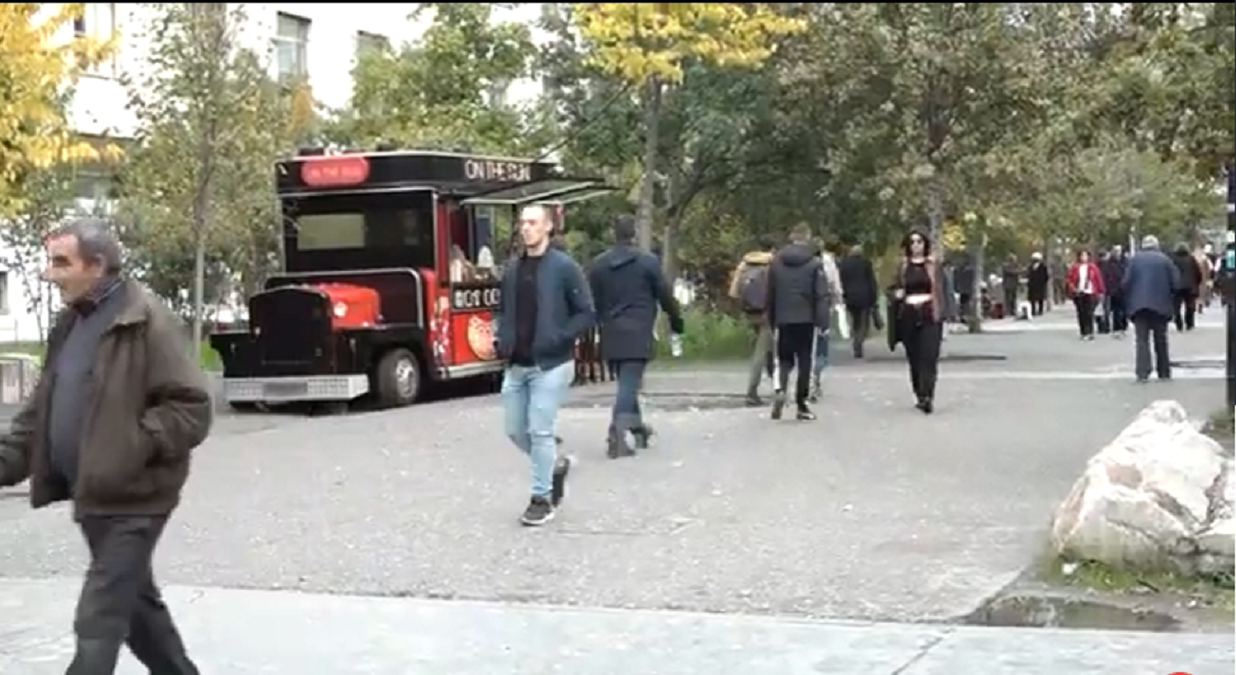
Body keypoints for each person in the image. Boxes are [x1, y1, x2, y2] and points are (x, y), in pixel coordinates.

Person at [0, 218, 212, 675]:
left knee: (98, 616)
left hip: (137, 498)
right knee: (137, 611)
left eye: (62, 263)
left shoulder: (145, 320)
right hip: (94, 497)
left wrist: (128, 448)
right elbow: (40, 413)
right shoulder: (71, 324)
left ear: (96, 265)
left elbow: (191, 408)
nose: (50, 274)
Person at [495, 204, 595, 526]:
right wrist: (501, 337)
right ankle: (554, 463)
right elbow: (503, 310)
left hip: (551, 364)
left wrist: (560, 338)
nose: (526, 228)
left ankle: (542, 498)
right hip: (516, 364)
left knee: (540, 430)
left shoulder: (564, 267)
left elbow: (586, 312)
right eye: (522, 223)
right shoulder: (513, 269)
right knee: (515, 431)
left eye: (533, 222)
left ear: (548, 227)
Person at [588, 215, 684, 459]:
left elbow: (593, 300)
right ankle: (616, 434)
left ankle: (639, 429)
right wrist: (676, 319)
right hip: (638, 329)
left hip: (611, 330)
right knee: (629, 384)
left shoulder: (598, 265)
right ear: (634, 233)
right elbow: (664, 294)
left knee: (627, 382)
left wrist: (599, 322)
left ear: (614, 234)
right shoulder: (647, 262)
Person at [765, 223, 830, 421]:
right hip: (806, 318)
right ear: (807, 238)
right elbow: (821, 295)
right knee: (805, 361)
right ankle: (802, 404)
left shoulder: (776, 262)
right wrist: (823, 322)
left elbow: (770, 293)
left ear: (791, 238)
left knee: (784, 359)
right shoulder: (814, 263)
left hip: (783, 318)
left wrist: (772, 319)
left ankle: (780, 389)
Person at [888, 228, 946, 414]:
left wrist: (945, 313)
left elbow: (942, 289)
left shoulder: (933, 265)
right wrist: (896, 294)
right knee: (914, 357)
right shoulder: (903, 266)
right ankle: (919, 394)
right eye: (912, 242)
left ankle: (928, 395)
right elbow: (892, 288)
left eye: (919, 242)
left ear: (925, 244)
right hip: (908, 315)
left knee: (929, 356)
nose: (916, 246)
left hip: (930, 314)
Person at [1122, 235, 1180, 382]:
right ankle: (1164, 371)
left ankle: (1142, 372)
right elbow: (1176, 282)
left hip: (1138, 306)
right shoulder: (1165, 260)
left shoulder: (1134, 260)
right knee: (1161, 339)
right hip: (1161, 306)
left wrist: (1130, 297)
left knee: (1141, 340)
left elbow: (1125, 282)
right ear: (1157, 245)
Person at [728, 244, 776, 406]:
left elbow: (733, 292)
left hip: (750, 313)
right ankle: (752, 392)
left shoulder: (745, 264)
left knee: (768, 349)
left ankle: (777, 386)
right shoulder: (771, 265)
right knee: (761, 352)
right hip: (766, 314)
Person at [809, 240, 844, 402]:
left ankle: (808, 379)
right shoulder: (827, 262)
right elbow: (835, 284)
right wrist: (838, 301)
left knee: (806, 347)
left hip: (802, 310)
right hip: (823, 307)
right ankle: (815, 378)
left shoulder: (800, 263)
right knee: (821, 346)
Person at [838, 243, 879, 358]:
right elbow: (871, 281)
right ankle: (858, 341)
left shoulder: (844, 264)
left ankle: (856, 338)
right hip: (864, 296)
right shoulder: (866, 264)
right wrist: (874, 297)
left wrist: (843, 295)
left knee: (855, 321)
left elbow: (842, 280)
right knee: (863, 323)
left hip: (850, 297)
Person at [1065, 249, 1105, 340]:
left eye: (1085, 255)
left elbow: (1098, 279)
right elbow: (1069, 279)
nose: (1084, 257)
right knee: (1081, 313)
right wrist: (1072, 288)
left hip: (1090, 292)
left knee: (1089, 313)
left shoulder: (1093, 267)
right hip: (1078, 292)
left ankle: (1090, 331)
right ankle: (1083, 332)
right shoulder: (1075, 267)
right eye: (1082, 255)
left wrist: (1101, 291)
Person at [1171, 243, 1204, 331]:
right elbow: (1198, 272)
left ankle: (1178, 322)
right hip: (1190, 286)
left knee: (1176, 306)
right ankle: (1189, 323)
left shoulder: (1173, 259)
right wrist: (1197, 282)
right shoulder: (1191, 259)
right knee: (1190, 305)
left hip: (1176, 286)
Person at [1100, 245, 1128, 336]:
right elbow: (1105, 276)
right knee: (1116, 310)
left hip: (1123, 290)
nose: (1117, 253)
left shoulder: (1126, 262)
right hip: (1113, 290)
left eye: (1119, 251)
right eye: (1116, 251)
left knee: (1123, 310)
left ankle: (1123, 326)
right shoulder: (1108, 264)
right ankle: (1117, 328)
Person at [1026, 252, 1050, 317]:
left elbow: (1046, 276)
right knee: (1032, 299)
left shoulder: (1043, 267)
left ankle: (1040, 310)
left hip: (1040, 285)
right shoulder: (1030, 266)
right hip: (1032, 285)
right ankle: (1033, 310)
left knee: (1040, 299)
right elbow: (1028, 275)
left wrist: (1043, 282)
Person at [1001, 254, 1021, 319]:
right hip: (1008, 284)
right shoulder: (1006, 266)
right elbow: (1011, 272)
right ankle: (1008, 310)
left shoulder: (1016, 266)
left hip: (1014, 284)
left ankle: (1013, 310)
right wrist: (1017, 272)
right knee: (1008, 298)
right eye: (1014, 259)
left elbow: (1018, 272)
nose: (1015, 261)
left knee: (1014, 298)